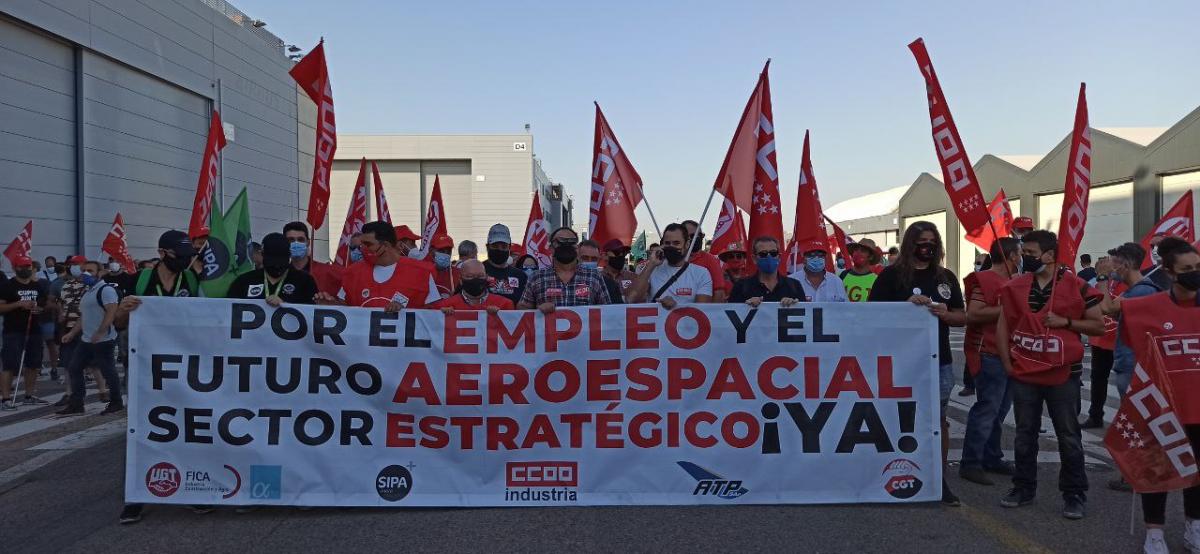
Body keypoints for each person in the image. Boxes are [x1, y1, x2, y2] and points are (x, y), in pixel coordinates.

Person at [994, 230, 1103, 519]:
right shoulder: (1015, 287)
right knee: (1024, 434)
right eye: (1023, 252)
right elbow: (1003, 325)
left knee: (1068, 435)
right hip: (1024, 372)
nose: (1024, 258)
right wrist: (1007, 363)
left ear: (1050, 255)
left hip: (1063, 374)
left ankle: (1074, 493)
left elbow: (1098, 326)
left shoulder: (1077, 287)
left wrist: (1066, 322)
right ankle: (1023, 487)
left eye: (1030, 253)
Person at [869, 221, 966, 506]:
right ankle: (891, 472)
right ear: (911, 243)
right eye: (922, 240)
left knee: (938, 421)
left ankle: (939, 478)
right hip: (899, 363)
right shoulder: (890, 276)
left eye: (932, 241)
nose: (928, 245)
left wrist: (946, 313)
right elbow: (871, 316)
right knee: (896, 419)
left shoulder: (946, 277)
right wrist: (905, 306)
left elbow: (962, 317)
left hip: (939, 363)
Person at [1115, 237, 1200, 553]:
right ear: (1168, 271)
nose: (1195, 273)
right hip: (1162, 408)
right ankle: (1154, 533)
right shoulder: (1145, 307)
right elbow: (1107, 317)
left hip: (1199, 409)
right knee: (1156, 471)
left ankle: (1195, 526)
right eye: (1187, 269)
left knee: (1197, 472)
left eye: (1198, 267)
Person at [114, 229, 204, 525]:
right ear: (164, 254)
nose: (187, 262)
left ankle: (193, 491)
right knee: (141, 428)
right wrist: (125, 311)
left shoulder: (191, 280)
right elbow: (119, 322)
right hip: (145, 368)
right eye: (182, 257)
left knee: (188, 424)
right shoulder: (138, 280)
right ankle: (136, 495)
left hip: (183, 366)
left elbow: (205, 317)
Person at [959, 237, 1020, 486]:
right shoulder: (985, 279)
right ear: (1011, 256)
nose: (1021, 258)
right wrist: (1010, 309)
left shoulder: (1011, 281)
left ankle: (991, 456)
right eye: (1019, 253)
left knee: (999, 410)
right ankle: (970, 462)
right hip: (989, 352)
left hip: (1006, 352)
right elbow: (973, 314)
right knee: (987, 409)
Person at [316, 221, 439, 311]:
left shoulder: (421, 272)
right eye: (361, 245)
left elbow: (434, 314)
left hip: (405, 345)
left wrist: (404, 313)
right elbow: (346, 310)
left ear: (385, 245)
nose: (362, 248)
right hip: (363, 345)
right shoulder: (352, 273)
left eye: (367, 244)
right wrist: (330, 305)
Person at [56, 261, 124, 415]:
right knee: (74, 368)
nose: (86, 273)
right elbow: (83, 317)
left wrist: (101, 331)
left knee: (108, 371)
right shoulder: (88, 292)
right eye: (84, 270)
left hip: (104, 340)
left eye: (90, 270)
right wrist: (72, 333)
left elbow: (111, 312)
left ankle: (116, 402)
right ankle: (76, 403)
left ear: (99, 272)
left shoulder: (106, 290)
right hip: (86, 339)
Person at [518, 226, 611, 312]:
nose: (566, 246)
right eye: (560, 242)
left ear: (577, 248)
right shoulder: (536, 278)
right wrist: (537, 310)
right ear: (551, 248)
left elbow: (608, 311)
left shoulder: (594, 276)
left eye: (571, 242)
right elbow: (522, 309)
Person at [0, 256, 50, 409]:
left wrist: (39, 308)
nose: (26, 269)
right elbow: (1, 308)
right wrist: (18, 304)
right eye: (22, 267)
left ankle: (29, 395)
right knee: (10, 364)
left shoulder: (38, 285)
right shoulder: (7, 286)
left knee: (34, 363)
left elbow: (44, 303)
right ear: (15, 268)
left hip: (34, 329)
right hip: (13, 330)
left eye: (28, 266)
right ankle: (6, 398)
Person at [59, 255, 107, 404]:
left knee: (94, 363)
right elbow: (62, 303)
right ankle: (69, 393)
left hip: (87, 327)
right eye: (72, 264)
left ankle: (103, 391)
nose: (74, 267)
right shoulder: (66, 285)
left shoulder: (92, 286)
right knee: (68, 363)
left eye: (77, 264)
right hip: (68, 326)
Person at [628, 223, 712, 308]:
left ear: (687, 244)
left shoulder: (701, 274)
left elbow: (702, 311)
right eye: (667, 243)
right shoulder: (651, 270)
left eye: (676, 243)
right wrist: (651, 264)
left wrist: (676, 307)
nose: (671, 247)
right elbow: (632, 299)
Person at [1079, 256, 1119, 429]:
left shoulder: (1128, 282)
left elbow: (1107, 307)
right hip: (1101, 338)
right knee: (1098, 379)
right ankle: (1095, 415)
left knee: (1127, 380)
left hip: (1121, 340)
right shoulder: (1098, 282)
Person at [227, 233, 318, 305]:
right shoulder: (244, 281)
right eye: (272, 260)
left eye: (281, 260)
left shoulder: (305, 281)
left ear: (289, 255)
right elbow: (228, 311)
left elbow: (312, 315)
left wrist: (286, 306)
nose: (276, 265)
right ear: (262, 254)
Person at [728, 236, 802, 307]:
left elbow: (807, 315)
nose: (769, 257)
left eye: (773, 253)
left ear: (779, 257)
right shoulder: (741, 287)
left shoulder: (794, 286)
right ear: (754, 259)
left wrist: (794, 306)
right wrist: (745, 306)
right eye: (763, 254)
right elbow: (729, 316)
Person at [283, 221, 343, 296]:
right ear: (284, 243)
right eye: (291, 240)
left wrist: (333, 302)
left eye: (300, 239)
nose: (296, 243)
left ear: (308, 242)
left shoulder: (330, 272)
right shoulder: (280, 274)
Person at [435, 260, 514, 314]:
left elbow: (513, 333)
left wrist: (501, 316)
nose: (475, 279)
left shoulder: (504, 305)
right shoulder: (445, 306)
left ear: (486, 277)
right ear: (461, 280)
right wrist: (440, 316)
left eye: (480, 276)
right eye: (469, 276)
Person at [682, 220, 729, 302]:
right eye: (691, 236)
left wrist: (711, 313)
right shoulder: (674, 259)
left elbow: (719, 292)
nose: (696, 239)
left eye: (698, 235)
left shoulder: (710, 260)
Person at [482, 224, 527, 305]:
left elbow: (527, 305)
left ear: (509, 248)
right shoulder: (476, 272)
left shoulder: (521, 276)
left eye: (504, 246)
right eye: (495, 246)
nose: (500, 249)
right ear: (487, 247)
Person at [579, 239, 623, 304]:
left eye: (594, 259)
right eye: (585, 258)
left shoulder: (610, 285)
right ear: (578, 258)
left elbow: (616, 311)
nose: (589, 261)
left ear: (599, 260)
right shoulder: (567, 280)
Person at [428, 234, 459, 299]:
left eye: (448, 251)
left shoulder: (458, 273)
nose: (445, 254)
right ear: (431, 250)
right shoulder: (423, 272)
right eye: (441, 250)